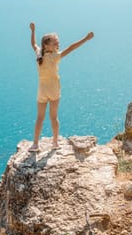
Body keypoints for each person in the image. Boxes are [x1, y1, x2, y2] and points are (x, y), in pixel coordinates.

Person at [29, 22, 94, 152]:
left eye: (58, 42)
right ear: (47, 45)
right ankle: (54, 142)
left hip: (42, 90)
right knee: (53, 117)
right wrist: (86, 39)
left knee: (40, 118)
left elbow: (34, 44)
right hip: (54, 89)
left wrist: (33, 30)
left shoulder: (39, 55)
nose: (58, 44)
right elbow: (71, 48)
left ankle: (35, 144)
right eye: (55, 43)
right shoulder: (55, 57)